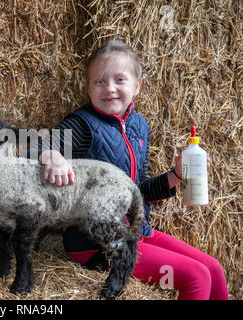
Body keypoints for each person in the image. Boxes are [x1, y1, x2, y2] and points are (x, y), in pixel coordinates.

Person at [38, 40, 228, 300]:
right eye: (99, 82)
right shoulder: (82, 125)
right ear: (88, 87)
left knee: (214, 269)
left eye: (120, 80)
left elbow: (140, 192)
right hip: (96, 244)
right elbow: (38, 143)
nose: (110, 89)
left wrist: (175, 176)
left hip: (137, 232)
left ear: (137, 86)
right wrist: (51, 155)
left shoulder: (140, 127)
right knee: (196, 276)